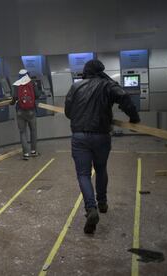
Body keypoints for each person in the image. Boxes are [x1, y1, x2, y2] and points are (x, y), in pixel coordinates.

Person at [65, 59, 140, 234]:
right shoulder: (107, 85)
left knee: (83, 174)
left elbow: (69, 112)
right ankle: (103, 202)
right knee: (101, 168)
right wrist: (134, 117)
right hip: (101, 135)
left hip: (79, 136)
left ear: (85, 71)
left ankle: (91, 209)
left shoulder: (76, 87)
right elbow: (124, 96)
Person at [10, 69, 40, 160]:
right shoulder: (32, 83)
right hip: (31, 110)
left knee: (23, 132)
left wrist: (12, 102)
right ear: (28, 74)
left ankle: (26, 153)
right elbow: (37, 95)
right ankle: (33, 151)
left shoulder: (16, 84)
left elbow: (14, 98)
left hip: (20, 111)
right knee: (33, 131)